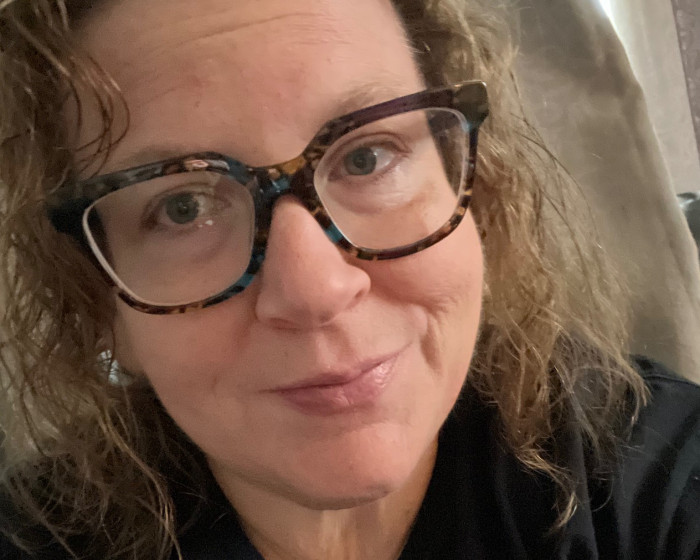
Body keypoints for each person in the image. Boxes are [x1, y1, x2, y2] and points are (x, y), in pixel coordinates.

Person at [0, 0, 698, 559]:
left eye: (367, 157)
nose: (316, 292)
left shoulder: (654, 474)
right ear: (99, 298)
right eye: (182, 207)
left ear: (475, 193)